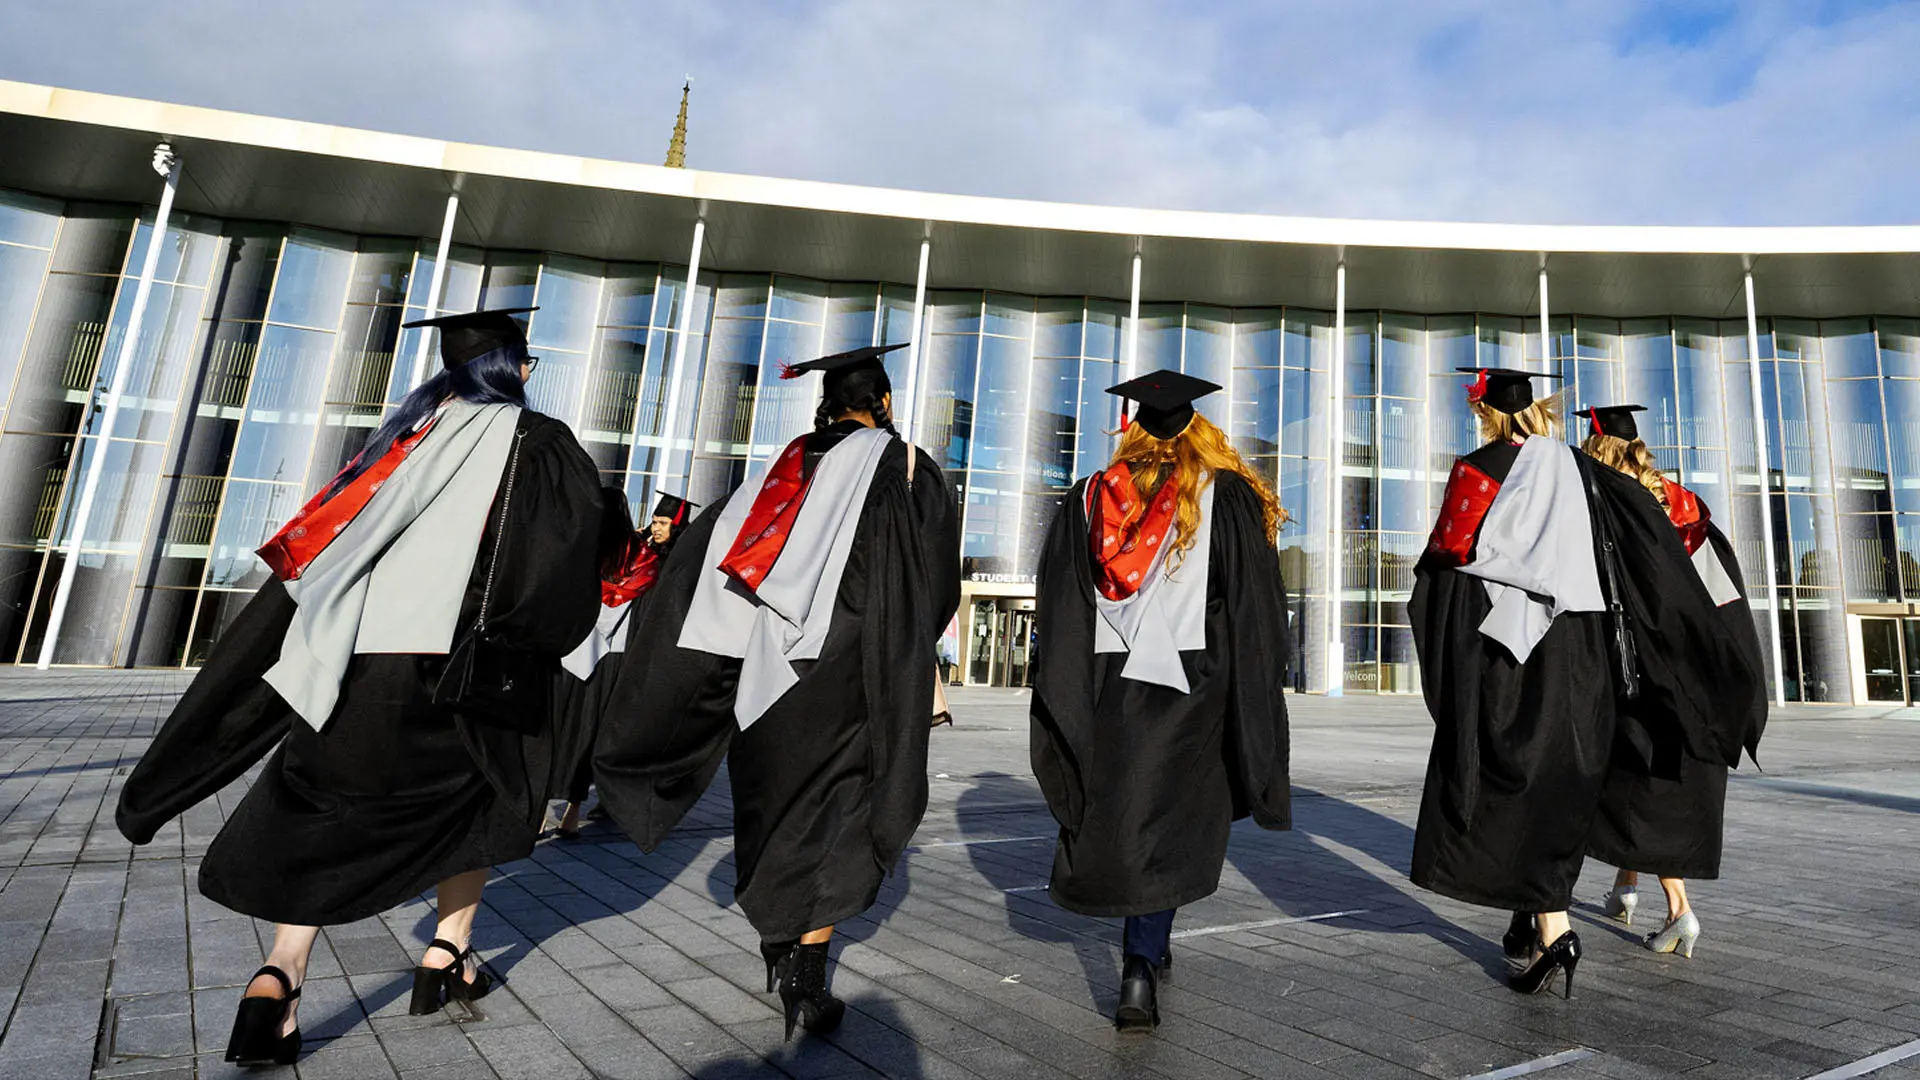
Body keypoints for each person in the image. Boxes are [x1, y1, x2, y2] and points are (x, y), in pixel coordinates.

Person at [115, 308, 601, 1065]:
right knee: (475, 799)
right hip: (461, 667)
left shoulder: (401, 438)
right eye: (528, 361)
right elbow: (563, 562)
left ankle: (279, 976)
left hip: (362, 660)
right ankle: (447, 952)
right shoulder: (540, 444)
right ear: (515, 368)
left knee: (323, 805)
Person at [594, 342, 960, 1040]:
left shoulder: (782, 469)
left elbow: (709, 561)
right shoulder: (905, 468)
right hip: (854, 671)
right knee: (841, 811)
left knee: (772, 800)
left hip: (764, 675)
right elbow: (934, 584)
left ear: (828, 405)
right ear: (882, 402)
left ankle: (775, 933)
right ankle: (806, 974)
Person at [1410, 368, 1747, 1000]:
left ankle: (1549, 923)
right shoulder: (1591, 477)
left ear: (1485, 413)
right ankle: (1562, 918)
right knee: (1574, 777)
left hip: (1513, 650)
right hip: (1591, 651)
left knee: (1513, 775)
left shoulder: (1479, 468)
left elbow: (1449, 562)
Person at [1029, 370, 1292, 1032]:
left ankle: (1149, 947)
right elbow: (1253, 606)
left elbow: (1060, 604)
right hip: (1188, 682)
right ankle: (1140, 964)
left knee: (1125, 807)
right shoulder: (1223, 493)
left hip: (1105, 684)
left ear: (1133, 433)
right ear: (1200, 433)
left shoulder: (1090, 496)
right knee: (1170, 815)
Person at [1577, 405, 1767, 958]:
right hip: (1691, 668)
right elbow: (1719, 589)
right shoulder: (1683, 504)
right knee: (1639, 782)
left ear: (1596, 449)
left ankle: (1678, 909)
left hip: (1636, 668)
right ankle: (1625, 885)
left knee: (1638, 782)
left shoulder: (1607, 503)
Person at [551, 490, 696, 840]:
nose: (656, 528)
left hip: (606, 655)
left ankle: (589, 802)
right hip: (615, 654)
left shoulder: (666, 558)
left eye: (664, 522)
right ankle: (580, 806)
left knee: (584, 730)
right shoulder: (643, 557)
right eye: (655, 521)